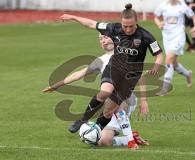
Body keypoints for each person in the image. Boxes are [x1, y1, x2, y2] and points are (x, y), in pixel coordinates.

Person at [58, 3, 163, 149]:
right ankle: (82, 120)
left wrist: (157, 66)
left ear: (136, 22)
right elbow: (91, 24)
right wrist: (72, 17)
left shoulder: (145, 36)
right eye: (125, 26)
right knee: (104, 92)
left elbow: (158, 54)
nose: (127, 29)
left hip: (130, 78)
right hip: (114, 68)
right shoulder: (114, 28)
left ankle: (98, 131)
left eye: (130, 26)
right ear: (121, 22)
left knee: (108, 111)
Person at [43, 34, 151, 149]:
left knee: (118, 103)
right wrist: (57, 85)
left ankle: (130, 141)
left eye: (105, 37)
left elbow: (140, 77)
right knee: (103, 141)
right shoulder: (101, 60)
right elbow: (79, 74)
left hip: (127, 97)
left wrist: (144, 101)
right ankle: (130, 137)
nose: (103, 41)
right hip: (110, 100)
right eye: (100, 39)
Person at [154, 0, 195, 96]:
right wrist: (159, 24)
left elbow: (194, 17)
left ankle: (165, 88)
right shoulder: (163, 5)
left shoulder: (183, 6)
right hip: (167, 37)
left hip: (179, 36)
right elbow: (156, 18)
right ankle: (188, 74)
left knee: (169, 59)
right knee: (173, 63)